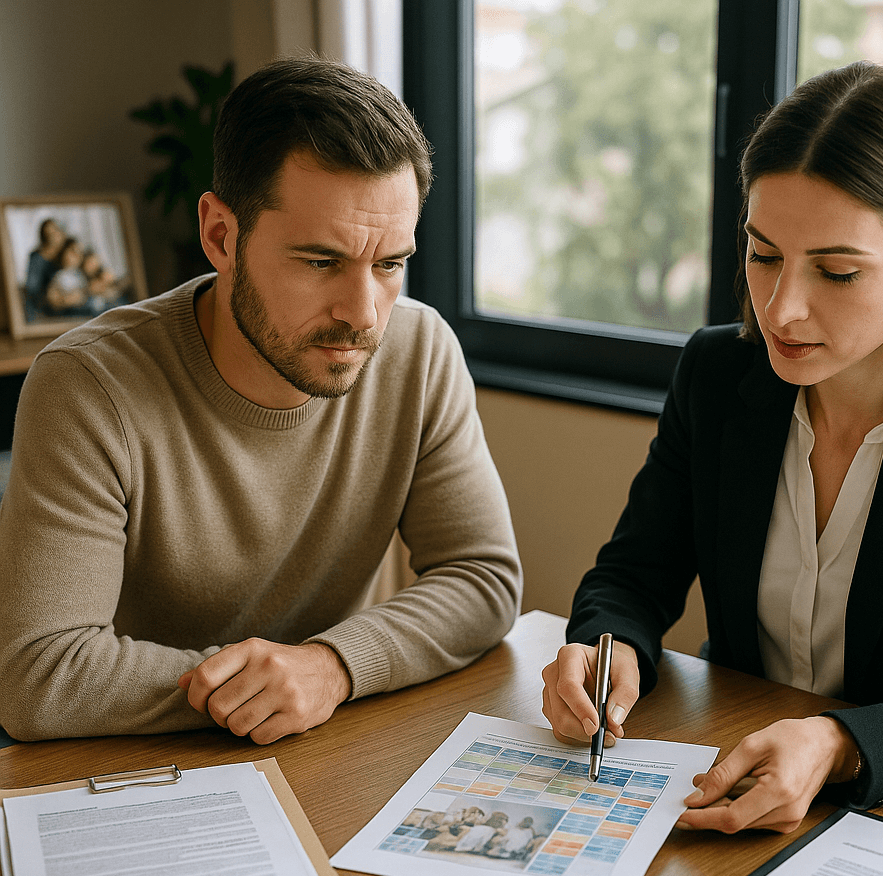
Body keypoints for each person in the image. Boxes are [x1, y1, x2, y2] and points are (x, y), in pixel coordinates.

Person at [541, 62, 883, 834]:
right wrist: (610, 648)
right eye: (763, 255)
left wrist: (841, 744)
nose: (781, 309)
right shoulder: (717, 371)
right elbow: (635, 573)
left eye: (836, 271)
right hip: (732, 773)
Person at [0, 56, 521, 742]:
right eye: (319, 262)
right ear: (221, 235)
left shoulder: (420, 351)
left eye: (390, 264)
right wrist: (273, 688)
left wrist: (330, 668)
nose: (363, 314)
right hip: (129, 774)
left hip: (328, 747)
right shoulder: (87, 387)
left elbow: (481, 578)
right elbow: (42, 675)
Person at [23, 217, 65, 319]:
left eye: (55, 233)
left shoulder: (65, 253)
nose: (53, 238)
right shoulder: (38, 258)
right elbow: (32, 287)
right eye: (49, 235)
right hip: (43, 304)